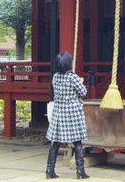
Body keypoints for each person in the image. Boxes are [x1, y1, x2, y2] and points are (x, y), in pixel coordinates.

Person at [45, 51, 89, 179]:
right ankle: (80, 171)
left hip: (59, 112)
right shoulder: (73, 77)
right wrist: (80, 81)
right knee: (77, 141)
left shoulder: (55, 77)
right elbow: (83, 92)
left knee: (56, 142)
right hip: (72, 113)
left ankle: (49, 169)